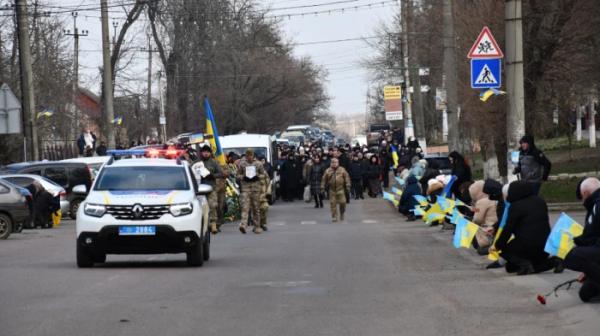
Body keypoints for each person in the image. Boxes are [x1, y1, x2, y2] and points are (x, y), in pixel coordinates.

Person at [489, 181, 559, 275]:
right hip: (545, 245)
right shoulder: (540, 201)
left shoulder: (515, 206)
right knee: (511, 268)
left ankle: (525, 265)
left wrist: (497, 246)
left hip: (526, 245)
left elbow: (508, 229)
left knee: (505, 250)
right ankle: (554, 261)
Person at [564, 177, 600, 302]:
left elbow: (589, 237)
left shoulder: (597, 206)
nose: (582, 201)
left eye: (582, 197)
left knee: (571, 255)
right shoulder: (596, 204)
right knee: (585, 294)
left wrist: (576, 241)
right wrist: (589, 270)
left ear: (586, 193)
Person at [192, 145, 223, 234]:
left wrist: (212, 175)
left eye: (207, 152)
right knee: (200, 207)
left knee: (212, 205)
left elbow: (220, 173)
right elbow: (191, 171)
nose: (206, 153)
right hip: (198, 189)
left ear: (210, 153)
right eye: (204, 152)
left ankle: (213, 224)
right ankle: (202, 225)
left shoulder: (214, 162)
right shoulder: (196, 163)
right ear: (201, 153)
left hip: (211, 188)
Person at [237, 149, 267, 234]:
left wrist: (257, 176)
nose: (249, 157)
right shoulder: (242, 164)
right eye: (248, 155)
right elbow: (238, 175)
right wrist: (243, 177)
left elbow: (264, 174)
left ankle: (257, 226)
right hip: (246, 188)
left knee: (255, 207)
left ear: (253, 156)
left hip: (255, 188)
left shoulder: (258, 164)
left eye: (251, 155)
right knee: (245, 207)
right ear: (246, 156)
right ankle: (243, 225)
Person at [468, 180, 498, 255]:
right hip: (497, 227)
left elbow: (477, 220)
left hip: (489, 231)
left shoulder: (481, 202)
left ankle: (486, 247)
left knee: (470, 224)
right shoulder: (495, 197)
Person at [321, 158, 351, 222]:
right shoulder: (328, 171)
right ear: (331, 163)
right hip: (332, 190)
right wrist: (322, 188)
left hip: (341, 189)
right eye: (333, 162)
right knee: (333, 204)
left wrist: (348, 186)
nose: (334, 164)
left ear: (338, 163)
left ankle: (342, 213)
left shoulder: (342, 170)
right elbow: (323, 180)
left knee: (343, 202)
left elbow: (347, 178)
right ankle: (334, 216)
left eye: (336, 162)